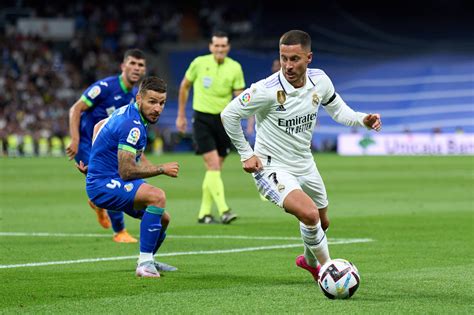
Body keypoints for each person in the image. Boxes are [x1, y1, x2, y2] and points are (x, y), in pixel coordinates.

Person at [221, 30, 382, 281]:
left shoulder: (321, 81)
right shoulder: (266, 89)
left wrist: (363, 119)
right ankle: (329, 270)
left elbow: (338, 110)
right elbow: (228, 114)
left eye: (294, 59)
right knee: (309, 214)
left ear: (309, 58)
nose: (287, 65)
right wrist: (246, 153)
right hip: (272, 167)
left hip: (305, 164)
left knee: (322, 222)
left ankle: (308, 262)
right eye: (283, 58)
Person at [83, 76, 179, 278]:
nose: (157, 108)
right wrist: (161, 168)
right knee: (157, 196)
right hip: (104, 185)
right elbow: (127, 171)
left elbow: (99, 125)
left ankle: (149, 259)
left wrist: (95, 161)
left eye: (161, 103)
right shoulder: (132, 124)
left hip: (109, 179)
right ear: (139, 99)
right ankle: (144, 264)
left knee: (163, 219)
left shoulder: (130, 112)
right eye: (152, 102)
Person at [66, 49, 146, 243]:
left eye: (140, 65)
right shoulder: (104, 87)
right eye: (132, 63)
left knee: (114, 180)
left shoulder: (134, 96)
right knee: (114, 180)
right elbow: (76, 108)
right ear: (123, 66)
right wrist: (75, 140)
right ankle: (119, 232)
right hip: (87, 144)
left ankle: (98, 202)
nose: (136, 68)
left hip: (109, 148)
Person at [176, 31, 245, 224]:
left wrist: (242, 120)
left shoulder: (235, 68)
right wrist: (181, 114)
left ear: (228, 47)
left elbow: (239, 97)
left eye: (223, 46)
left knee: (214, 169)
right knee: (213, 165)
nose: (220, 49)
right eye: (217, 45)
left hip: (224, 120)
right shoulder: (199, 63)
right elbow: (184, 86)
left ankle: (204, 213)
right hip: (202, 119)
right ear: (210, 46)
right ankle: (224, 210)